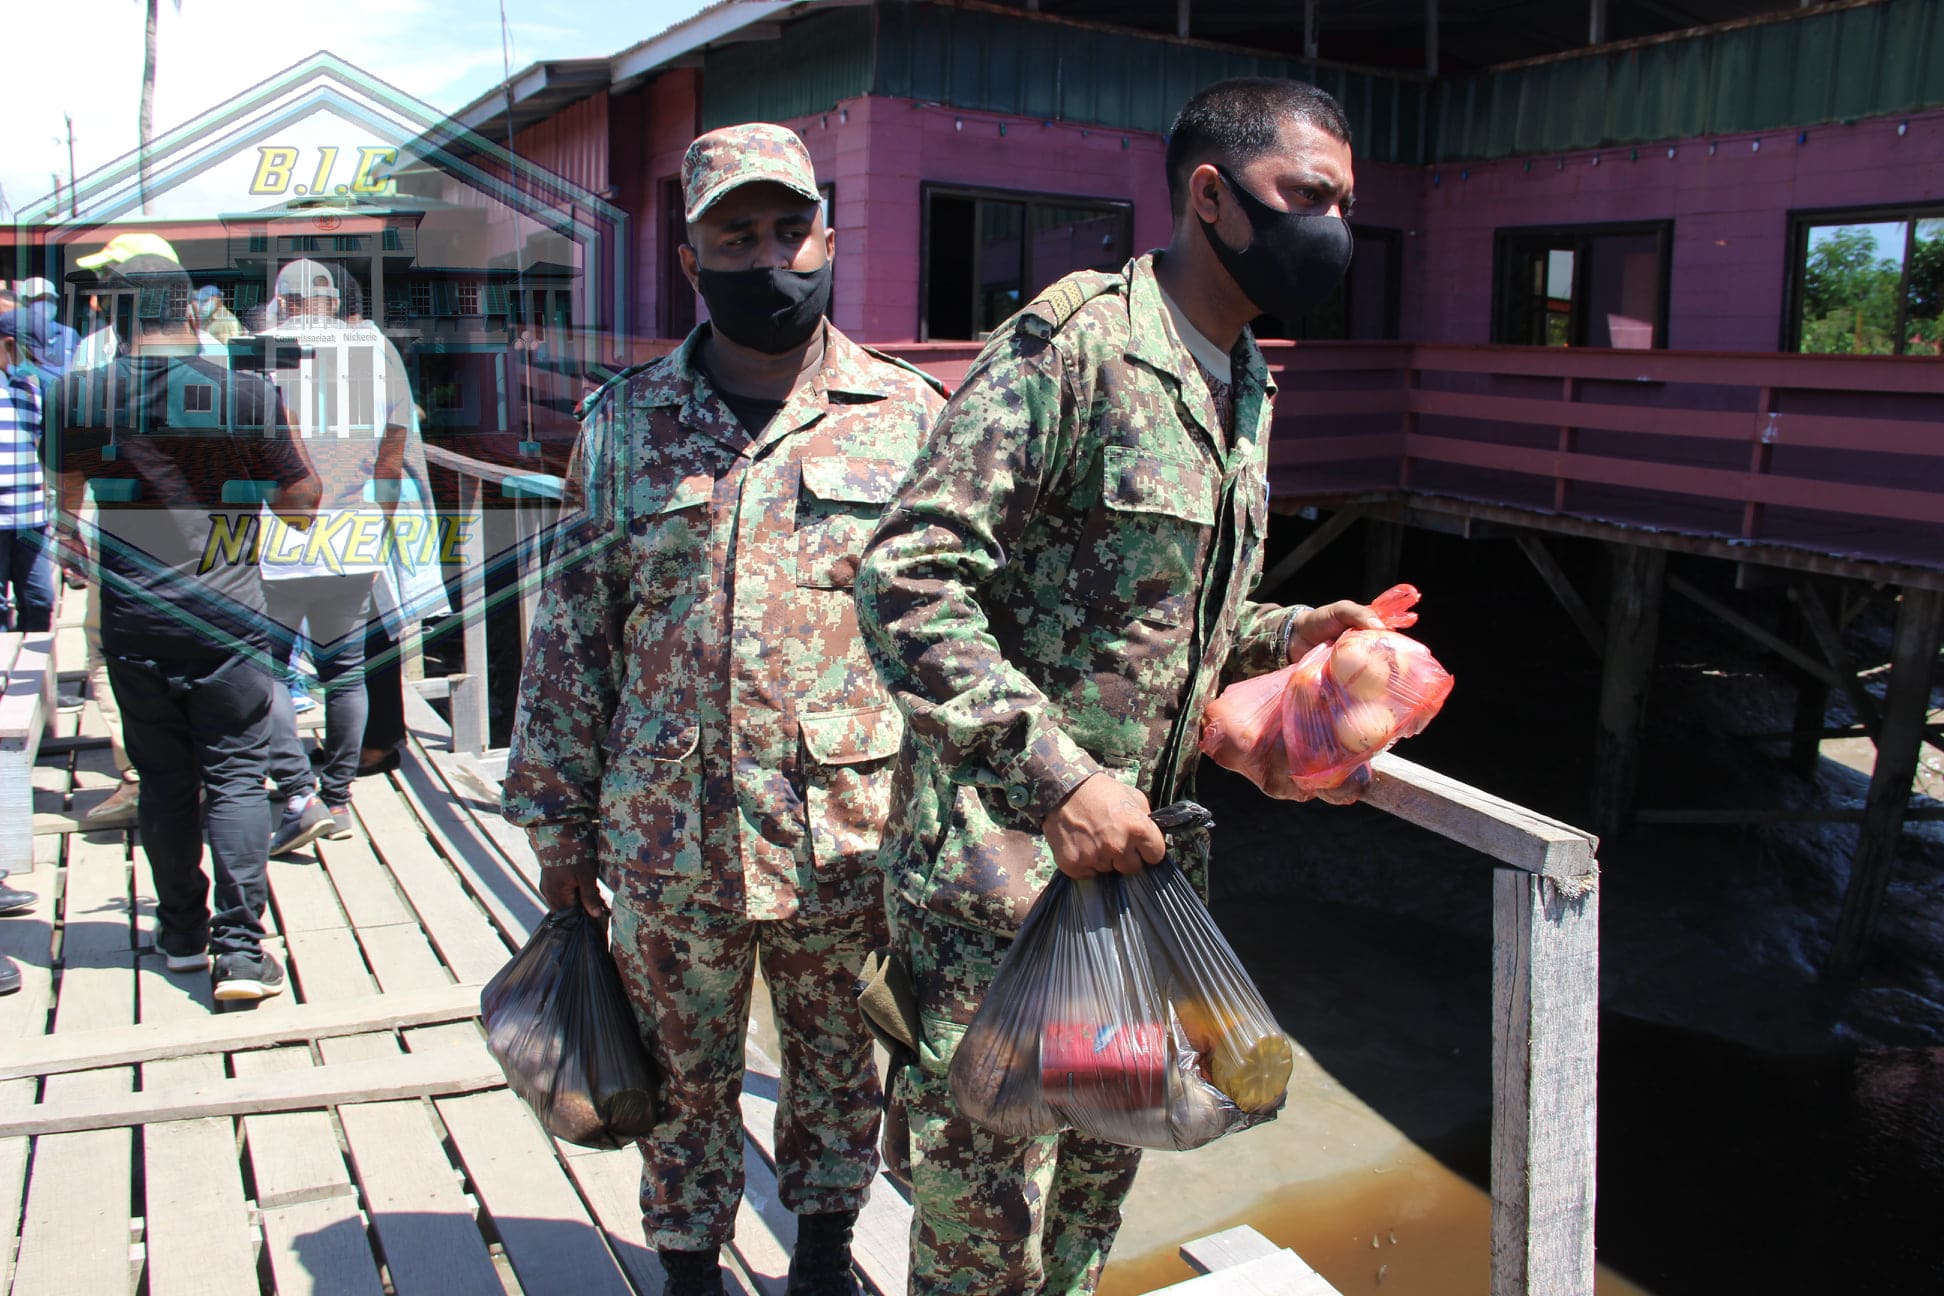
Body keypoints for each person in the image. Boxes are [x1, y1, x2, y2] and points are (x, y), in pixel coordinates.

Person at [852, 77, 1383, 1294]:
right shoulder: (1075, 347)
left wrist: (1295, 632)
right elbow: (907, 580)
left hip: (1143, 885)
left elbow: (1163, 615)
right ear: (1212, 196)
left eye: (1346, 204)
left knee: (1096, 1194)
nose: (1335, 229)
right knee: (983, 1227)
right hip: (1002, 882)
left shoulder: (1245, 377)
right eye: (1310, 197)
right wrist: (1058, 778)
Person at [501, 123, 946, 1296]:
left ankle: (826, 1256)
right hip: (664, 829)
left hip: (847, 826)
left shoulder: (909, 414)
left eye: (789, 230)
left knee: (839, 1059)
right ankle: (690, 1266)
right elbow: (574, 632)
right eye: (735, 236)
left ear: (830, 235)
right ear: (690, 259)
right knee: (680, 1069)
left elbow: (952, 626)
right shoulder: (625, 422)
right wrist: (556, 824)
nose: (770, 258)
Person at [54, 242, 319, 1001]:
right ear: (194, 312)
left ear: (112, 314)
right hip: (230, 616)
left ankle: (179, 936)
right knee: (235, 777)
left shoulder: (78, 395)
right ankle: (240, 954)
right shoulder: (244, 394)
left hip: (135, 617)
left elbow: (67, 508)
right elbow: (302, 511)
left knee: (166, 782)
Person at [257, 258, 418, 852]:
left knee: (267, 669)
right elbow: (393, 460)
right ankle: (339, 797)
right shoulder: (379, 356)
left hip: (281, 538)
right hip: (356, 534)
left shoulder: (260, 354)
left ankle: (298, 794)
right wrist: (381, 531)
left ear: (285, 302)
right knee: (345, 674)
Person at [0, 310, 61, 634]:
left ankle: (32, 670)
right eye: (29, 353)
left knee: (40, 598)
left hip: (31, 517)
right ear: (9, 344)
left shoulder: (30, 389)